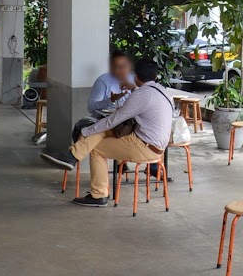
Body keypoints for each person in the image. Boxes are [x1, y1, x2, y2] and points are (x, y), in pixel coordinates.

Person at [70, 68, 175, 204]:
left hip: (144, 146)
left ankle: (98, 195)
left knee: (95, 148)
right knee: (101, 132)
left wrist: (86, 131)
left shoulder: (141, 94)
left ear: (135, 76)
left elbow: (114, 119)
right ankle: (72, 155)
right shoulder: (162, 91)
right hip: (159, 149)